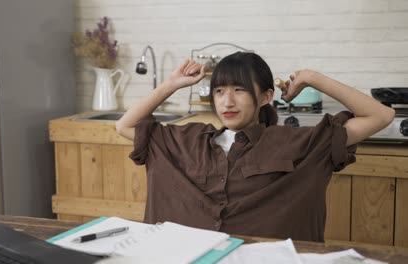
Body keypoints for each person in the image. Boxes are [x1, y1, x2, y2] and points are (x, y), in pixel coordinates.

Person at [115, 52, 395, 242]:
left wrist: (311, 77)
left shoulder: (299, 142)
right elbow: (124, 125)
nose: (227, 102)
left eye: (239, 90)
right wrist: (171, 84)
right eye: (219, 91)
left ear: (265, 97)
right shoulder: (188, 139)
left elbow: (381, 116)